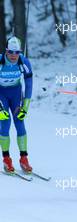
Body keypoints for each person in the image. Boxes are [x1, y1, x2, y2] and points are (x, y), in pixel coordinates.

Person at [0, 36, 33, 173]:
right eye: (11, 52)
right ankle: (6, 159)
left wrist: (25, 106)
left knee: (20, 122)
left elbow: (29, 84)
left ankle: (24, 159)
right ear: (6, 51)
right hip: (1, 94)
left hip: (15, 94)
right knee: (5, 122)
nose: (14, 55)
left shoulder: (23, 61)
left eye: (17, 52)